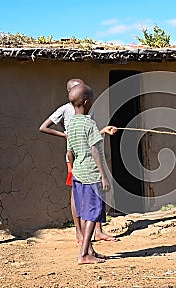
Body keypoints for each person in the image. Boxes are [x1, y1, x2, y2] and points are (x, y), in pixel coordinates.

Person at [39, 78, 118, 244]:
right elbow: (45, 128)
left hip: (83, 160)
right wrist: (66, 137)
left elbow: (91, 134)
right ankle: (80, 234)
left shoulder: (85, 114)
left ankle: (96, 232)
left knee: (90, 200)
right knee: (81, 198)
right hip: (81, 162)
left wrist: (103, 130)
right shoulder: (66, 111)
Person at [66, 84, 109, 264]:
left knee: (84, 213)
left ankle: (89, 249)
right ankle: (83, 254)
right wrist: (103, 175)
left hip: (78, 173)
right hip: (91, 174)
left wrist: (75, 167)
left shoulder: (71, 125)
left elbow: (69, 153)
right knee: (93, 213)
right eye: (92, 100)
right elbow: (94, 150)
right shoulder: (89, 123)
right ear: (86, 102)